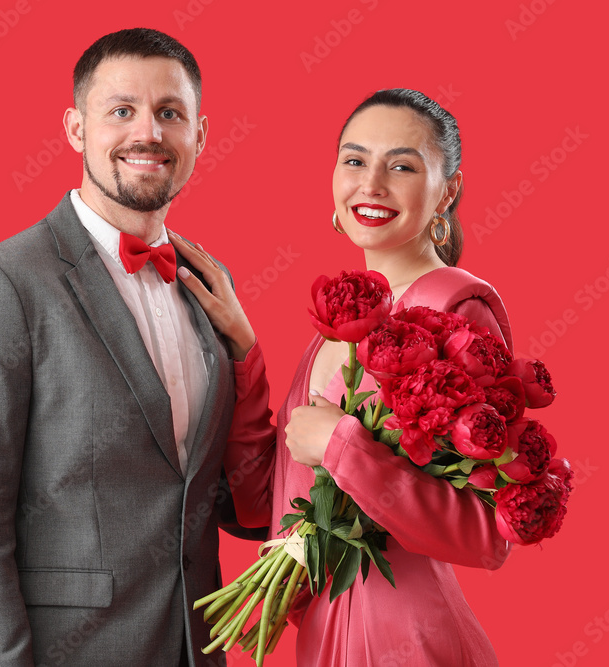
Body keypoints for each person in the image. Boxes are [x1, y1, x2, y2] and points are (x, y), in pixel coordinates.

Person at [0, 28, 264, 667]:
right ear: (77, 129)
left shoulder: (210, 288)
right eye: (122, 111)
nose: (149, 134)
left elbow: (227, 501)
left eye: (170, 114)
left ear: (200, 136)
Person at [172, 89, 511, 665]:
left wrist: (339, 446)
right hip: (327, 636)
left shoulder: (457, 313)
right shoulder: (340, 327)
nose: (371, 185)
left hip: (404, 642)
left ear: (447, 190)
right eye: (355, 160)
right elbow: (263, 508)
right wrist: (243, 350)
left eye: (401, 166)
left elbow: (487, 533)